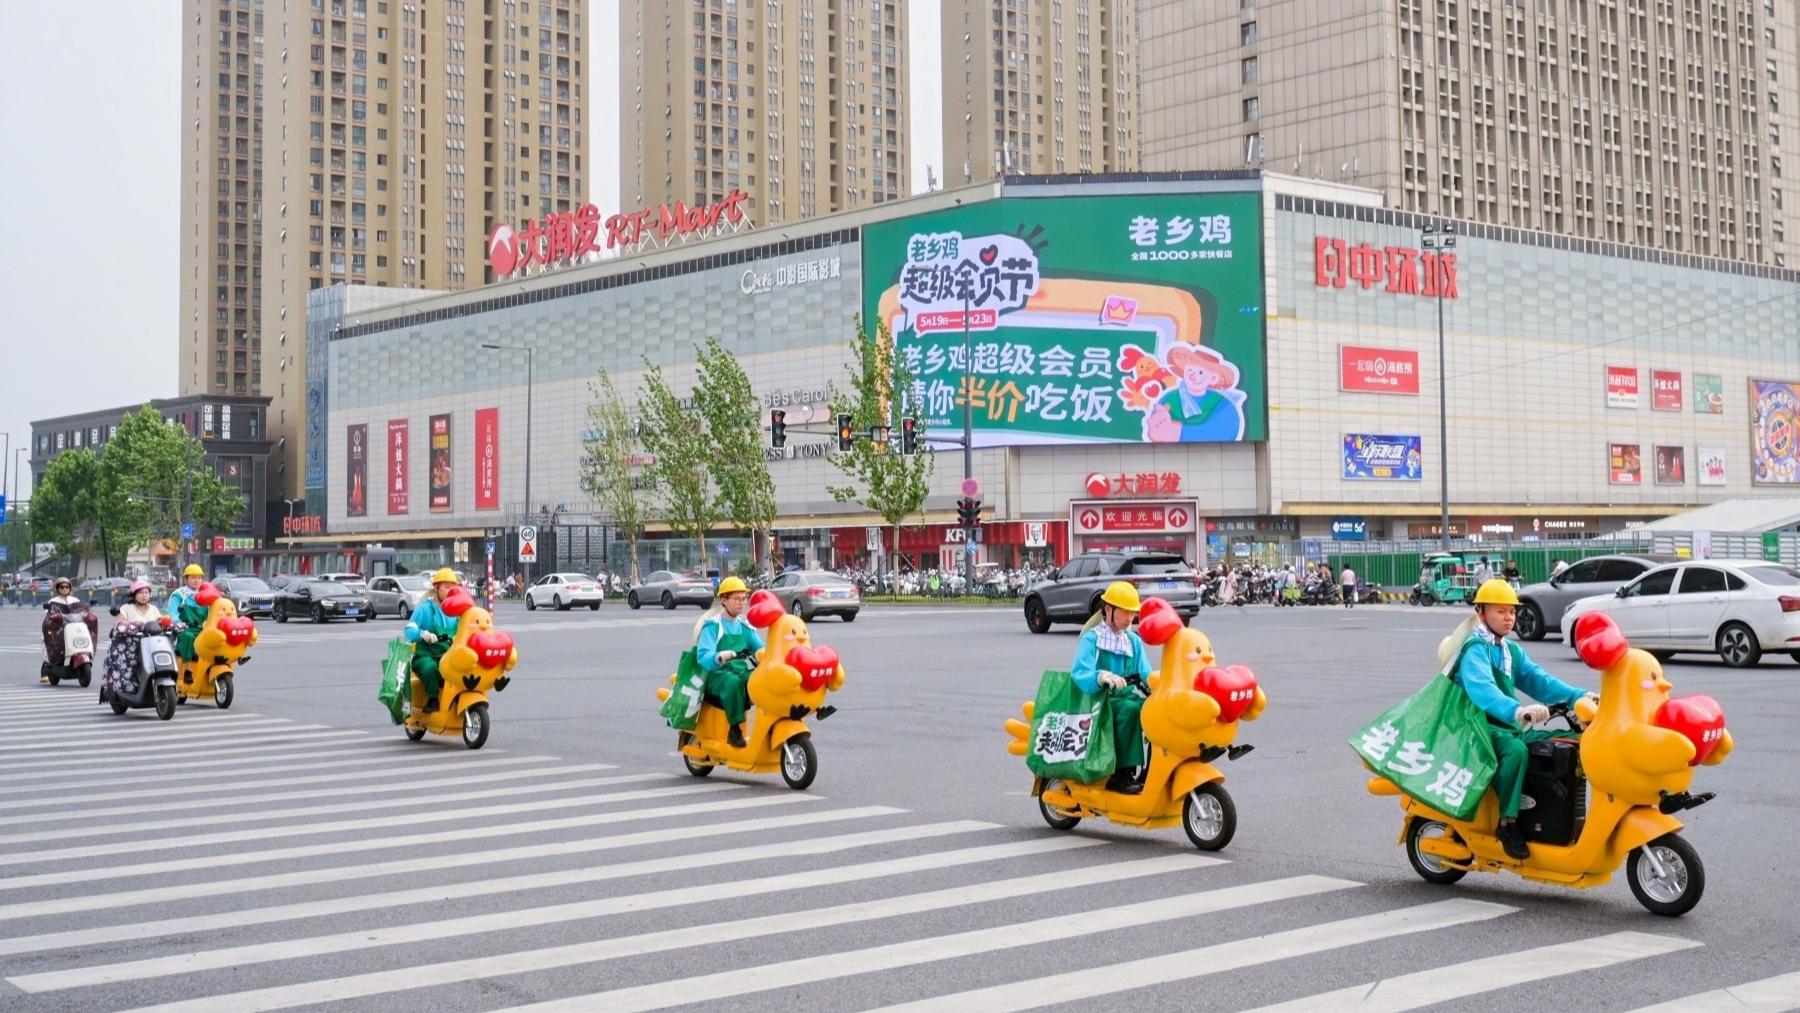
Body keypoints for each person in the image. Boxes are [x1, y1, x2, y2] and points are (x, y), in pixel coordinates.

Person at [1448, 580, 1594, 860]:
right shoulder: (1475, 649)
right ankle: (1508, 823)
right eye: (1500, 611)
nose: (1509, 618)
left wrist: (1579, 696)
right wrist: (1516, 711)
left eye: (1512, 612)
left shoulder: (1510, 650)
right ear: (1481, 613)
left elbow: (1540, 681)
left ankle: (1553, 815)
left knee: (1572, 741)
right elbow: (1483, 690)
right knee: (1515, 751)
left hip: (1511, 726)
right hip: (1480, 729)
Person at [1070, 581, 1154, 794]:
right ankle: (1121, 774)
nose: (1130, 617)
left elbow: (1146, 674)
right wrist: (1099, 677)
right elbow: (1080, 672)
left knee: (1155, 712)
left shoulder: (1133, 641)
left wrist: (1160, 688)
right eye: (1125, 612)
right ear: (1108, 609)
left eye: (1133, 613)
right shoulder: (1092, 639)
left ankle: (1152, 769)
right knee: (1130, 711)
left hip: (1126, 696)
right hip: (1099, 699)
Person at [694, 576, 765, 748]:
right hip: (717, 675)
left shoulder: (746, 628)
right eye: (737, 599)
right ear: (724, 600)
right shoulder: (712, 626)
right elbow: (703, 655)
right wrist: (718, 657)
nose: (742, 603)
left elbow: (762, 650)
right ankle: (734, 730)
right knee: (732, 682)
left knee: (760, 679)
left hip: (740, 672)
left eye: (744, 598)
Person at [404, 568, 464, 712]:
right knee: (430, 668)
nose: (450, 591)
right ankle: (432, 699)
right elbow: (409, 630)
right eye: (447, 587)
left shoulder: (457, 612)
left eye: (453, 588)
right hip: (426, 656)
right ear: (436, 588)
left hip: (448, 656)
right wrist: (422, 634)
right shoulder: (425, 609)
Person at [103, 580, 166, 696]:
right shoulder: (126, 608)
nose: (144, 595)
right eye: (141, 593)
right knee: (129, 664)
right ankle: (124, 690)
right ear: (134, 595)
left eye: (146, 593)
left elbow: (160, 623)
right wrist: (128, 626)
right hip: (132, 643)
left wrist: (168, 624)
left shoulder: (154, 609)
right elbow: (119, 624)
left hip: (151, 644)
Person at [41, 578, 97, 683]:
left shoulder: (75, 600)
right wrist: (55, 615)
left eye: (67, 587)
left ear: (70, 588)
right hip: (59, 629)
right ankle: (51, 662)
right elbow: (49, 615)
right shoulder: (52, 601)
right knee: (54, 640)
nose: (64, 589)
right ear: (57, 588)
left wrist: (86, 612)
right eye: (62, 587)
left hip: (73, 627)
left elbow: (82, 610)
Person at [168, 564, 208, 665]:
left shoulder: (206, 595)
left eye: (199, 578)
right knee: (188, 637)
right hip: (184, 630)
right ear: (186, 580)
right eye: (193, 577)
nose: (197, 580)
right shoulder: (179, 595)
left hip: (203, 629)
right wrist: (178, 623)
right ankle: (186, 667)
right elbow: (172, 614)